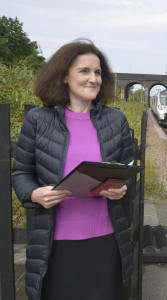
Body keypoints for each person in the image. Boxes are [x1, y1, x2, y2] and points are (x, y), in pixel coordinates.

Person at [12, 39, 134, 300]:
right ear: (64, 76)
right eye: (84, 71)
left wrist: (122, 188)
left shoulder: (116, 120)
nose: (94, 78)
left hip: (106, 239)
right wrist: (34, 194)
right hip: (55, 243)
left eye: (98, 72)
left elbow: (128, 170)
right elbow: (21, 173)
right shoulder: (38, 120)